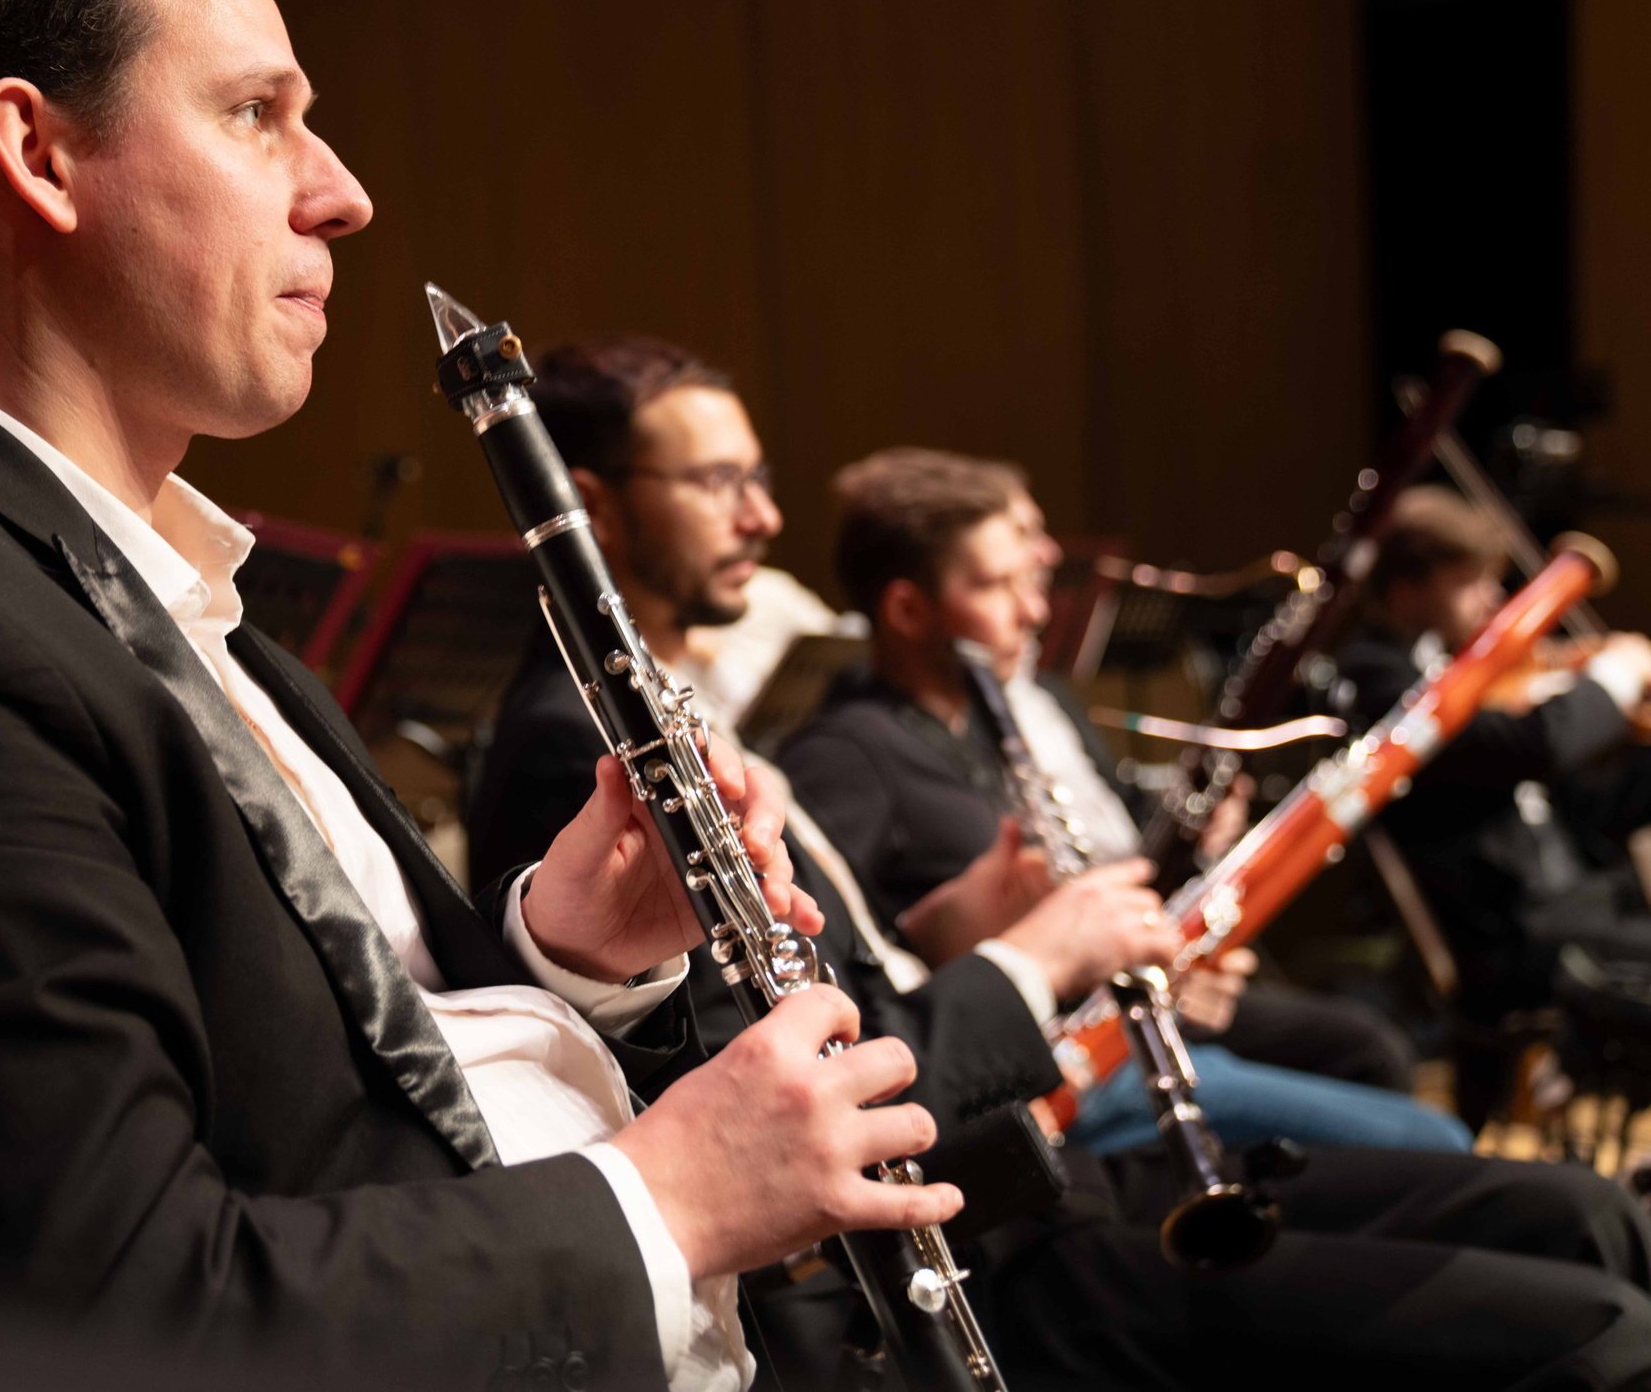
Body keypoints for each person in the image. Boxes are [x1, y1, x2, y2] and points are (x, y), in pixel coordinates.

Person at [0, 0, 969, 1392]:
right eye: (255, 114)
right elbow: (112, 1308)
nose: (341, 193)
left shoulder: (191, 614)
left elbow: (360, 1099)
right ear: (41, 157)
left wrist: (574, 957)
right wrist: (670, 1196)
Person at [464, 341, 1651, 1387]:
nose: (765, 518)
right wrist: (1037, 958)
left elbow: (830, 977)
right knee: (1592, 1328)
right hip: (978, 1246)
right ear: (592, 509)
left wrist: (969, 918)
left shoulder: (720, 695)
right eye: (720, 483)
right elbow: (792, 1103)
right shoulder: (578, 754)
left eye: (761, 480)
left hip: (1031, 1171)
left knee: (1586, 1215)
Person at [781, 447, 1450, 1127]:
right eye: (995, 587)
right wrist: (972, 939)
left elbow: (1118, 830)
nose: (1034, 612)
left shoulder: (1012, 703)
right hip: (1048, 1062)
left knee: (1365, 1049)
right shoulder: (845, 755)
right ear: (906, 609)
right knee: (1403, 1106)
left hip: (1130, 1000)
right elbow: (841, 962)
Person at [1334, 485, 1651, 1126]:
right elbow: (1527, 747)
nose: (1493, 603)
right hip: (1512, 939)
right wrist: (1610, 681)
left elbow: (1583, 804)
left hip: (1574, 906)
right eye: (1467, 582)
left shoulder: (1471, 673)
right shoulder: (1380, 681)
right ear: (1406, 590)